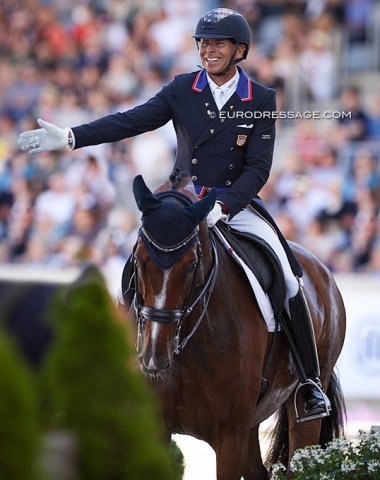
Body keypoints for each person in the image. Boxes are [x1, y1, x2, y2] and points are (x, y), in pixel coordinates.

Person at [18, 8, 329, 421]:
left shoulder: (262, 99)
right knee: (139, 261)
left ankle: (309, 382)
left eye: (217, 43)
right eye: (203, 42)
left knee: (287, 274)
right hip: (181, 201)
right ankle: (123, 363)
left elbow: (258, 167)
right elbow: (131, 121)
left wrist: (224, 205)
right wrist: (73, 136)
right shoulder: (183, 88)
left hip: (233, 205)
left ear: (239, 50)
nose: (208, 49)